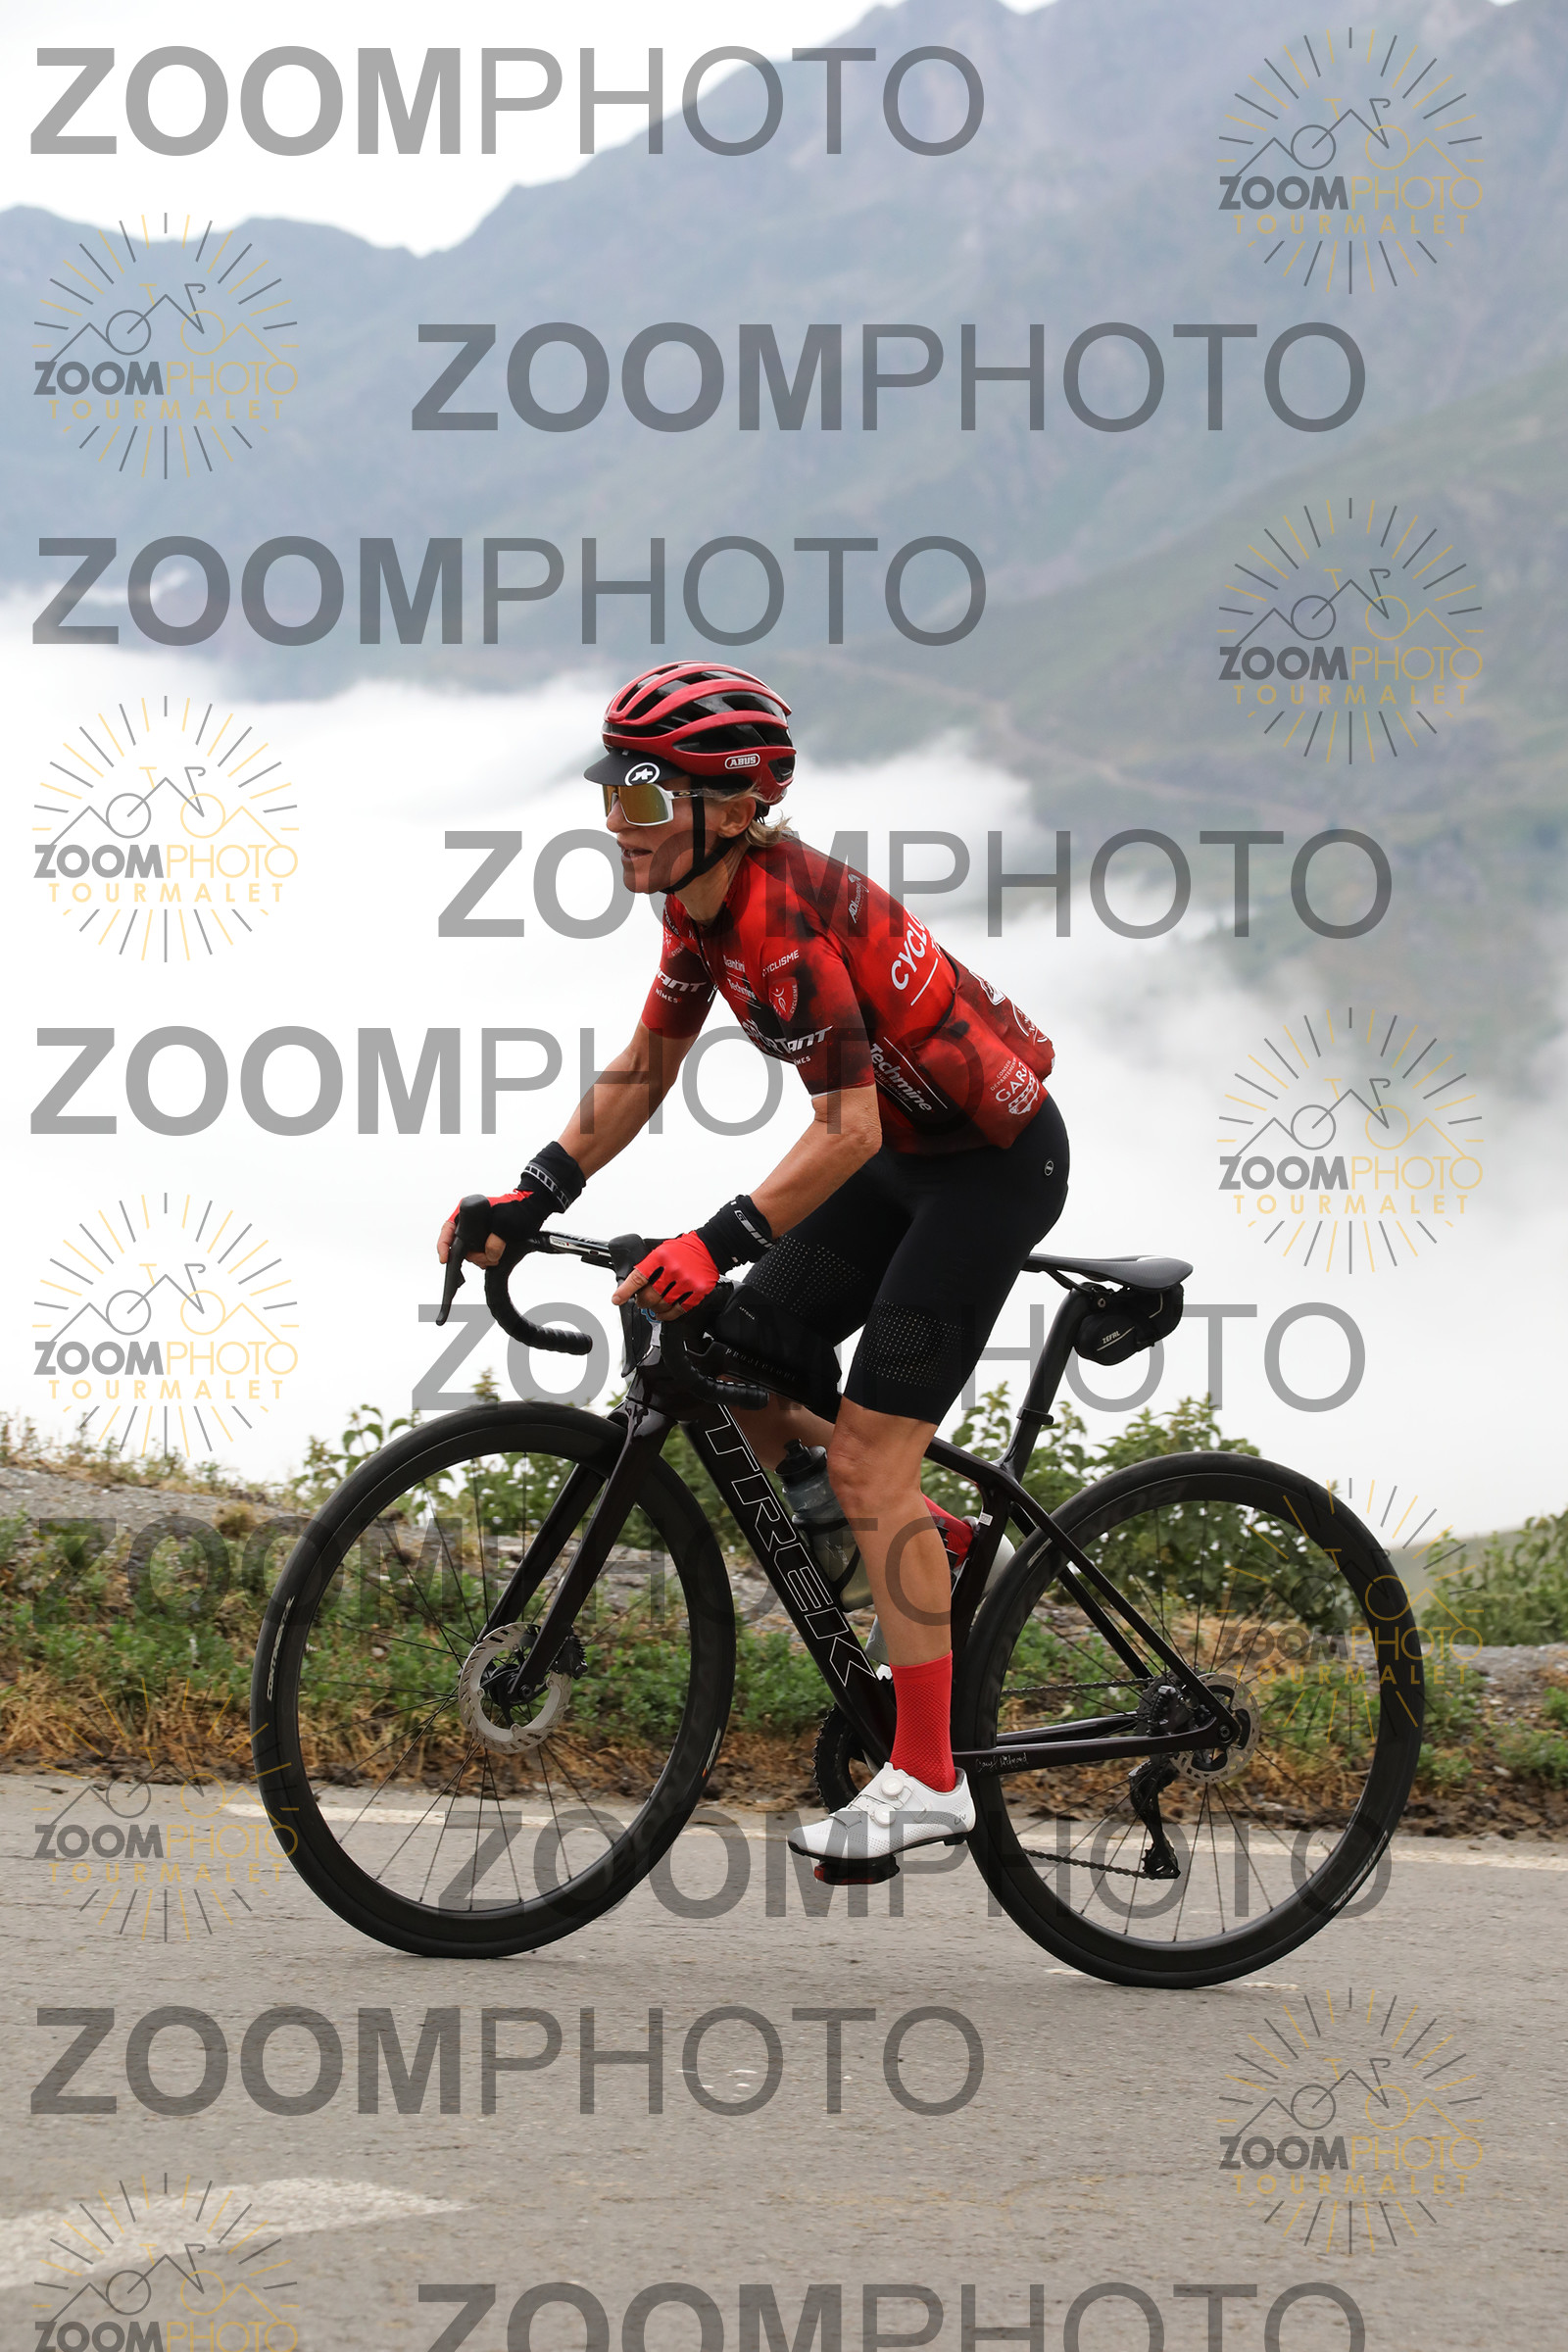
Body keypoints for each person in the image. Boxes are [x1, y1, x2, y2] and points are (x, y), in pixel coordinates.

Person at [438, 660, 1068, 1865]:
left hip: (988, 1171)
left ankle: (929, 1776)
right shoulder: (700, 908)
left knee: (873, 1460)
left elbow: (848, 1128)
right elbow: (645, 1066)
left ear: (729, 807)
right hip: (901, 1158)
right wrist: (533, 1191)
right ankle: (927, 1545)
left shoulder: (780, 924)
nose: (614, 822)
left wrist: (712, 1241)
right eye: (609, 793)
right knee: (725, 1355)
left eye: (639, 797)